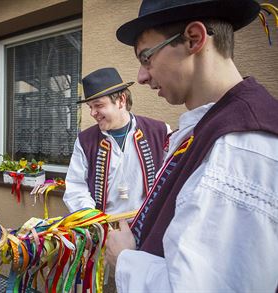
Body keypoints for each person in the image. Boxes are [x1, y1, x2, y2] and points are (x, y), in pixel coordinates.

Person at [106, 0, 278, 291]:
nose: (141, 76)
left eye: (146, 57)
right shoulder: (212, 126)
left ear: (194, 38)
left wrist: (125, 258)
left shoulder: (238, 148)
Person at [63, 67, 169, 215]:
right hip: (104, 229)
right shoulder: (85, 141)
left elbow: (172, 177)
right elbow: (76, 186)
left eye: (98, 105)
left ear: (121, 100)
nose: (93, 113)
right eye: (90, 107)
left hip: (146, 225)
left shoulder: (160, 131)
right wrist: (92, 219)